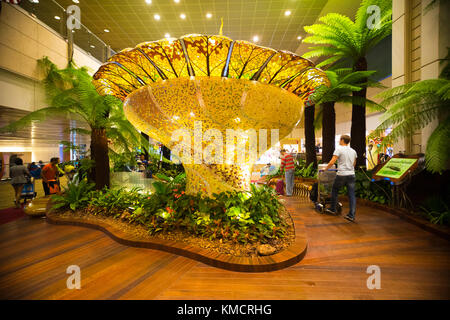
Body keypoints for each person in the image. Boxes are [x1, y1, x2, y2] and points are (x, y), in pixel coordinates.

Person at [324, 135, 357, 222]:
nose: (339, 141)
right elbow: (354, 164)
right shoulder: (353, 151)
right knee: (351, 195)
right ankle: (351, 215)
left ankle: (333, 209)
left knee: (335, 190)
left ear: (342, 140)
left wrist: (325, 169)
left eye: (340, 139)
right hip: (351, 174)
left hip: (342, 174)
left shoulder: (339, 149)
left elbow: (332, 161)